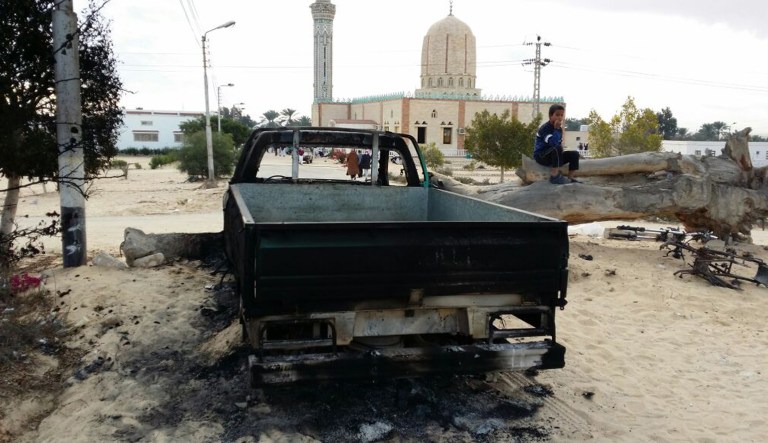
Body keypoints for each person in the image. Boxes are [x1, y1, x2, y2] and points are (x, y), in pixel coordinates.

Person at [534, 104, 580, 185]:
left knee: (574, 154)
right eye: (557, 115)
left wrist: (557, 129)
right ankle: (554, 176)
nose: (560, 117)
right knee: (556, 147)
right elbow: (553, 143)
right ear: (550, 116)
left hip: (553, 155)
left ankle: (571, 177)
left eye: (562, 115)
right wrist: (555, 129)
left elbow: (559, 145)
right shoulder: (545, 128)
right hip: (542, 156)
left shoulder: (559, 129)